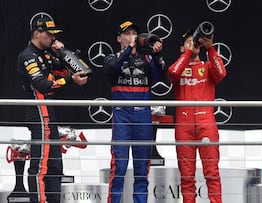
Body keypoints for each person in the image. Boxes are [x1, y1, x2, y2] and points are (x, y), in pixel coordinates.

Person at [17, 16, 88, 203]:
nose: (52, 38)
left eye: (54, 35)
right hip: (39, 112)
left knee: (55, 165)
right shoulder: (27, 56)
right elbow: (42, 84)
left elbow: (80, 70)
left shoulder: (48, 54)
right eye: (49, 35)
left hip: (50, 112)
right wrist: (70, 80)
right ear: (36, 34)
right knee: (40, 165)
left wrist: (63, 52)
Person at [103, 20, 164, 203]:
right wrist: (129, 49)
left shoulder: (146, 59)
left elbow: (160, 77)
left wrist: (157, 54)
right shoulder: (111, 58)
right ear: (119, 38)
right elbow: (112, 69)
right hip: (122, 115)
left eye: (134, 34)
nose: (132, 37)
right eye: (127, 33)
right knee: (119, 166)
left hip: (142, 115)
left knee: (142, 166)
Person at [168, 29, 227, 203]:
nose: (193, 44)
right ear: (181, 48)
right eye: (188, 41)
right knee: (186, 177)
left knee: (212, 174)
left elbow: (221, 73)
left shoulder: (207, 66)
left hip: (206, 124)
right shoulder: (177, 68)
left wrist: (210, 48)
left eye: (195, 41)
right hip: (184, 127)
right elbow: (172, 73)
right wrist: (188, 53)